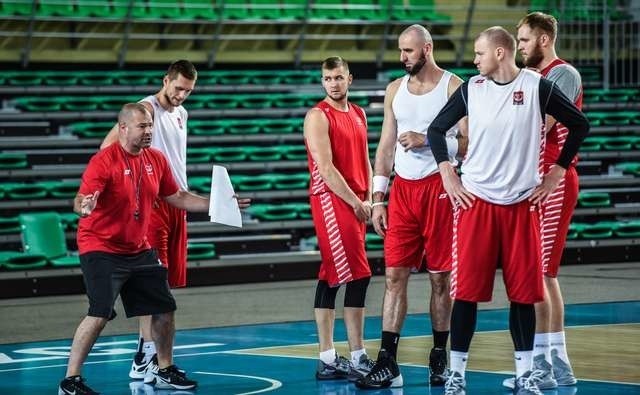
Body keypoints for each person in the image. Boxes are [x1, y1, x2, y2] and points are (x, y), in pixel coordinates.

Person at [426, 27, 589, 395]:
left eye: (479, 52)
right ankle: (457, 376)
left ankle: (526, 375)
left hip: (521, 205)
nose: (475, 59)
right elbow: (436, 131)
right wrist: (448, 173)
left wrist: (557, 172)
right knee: (465, 293)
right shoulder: (472, 89)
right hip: (476, 204)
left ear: (500, 53)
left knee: (523, 295)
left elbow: (580, 124)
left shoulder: (538, 86)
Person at [59, 103, 211, 394]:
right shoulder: (104, 161)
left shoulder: (156, 159)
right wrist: (84, 206)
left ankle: (164, 369)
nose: (149, 131)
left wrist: (215, 204)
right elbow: (82, 199)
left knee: (164, 309)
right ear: (124, 128)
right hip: (101, 247)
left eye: (151, 126)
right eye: (142, 126)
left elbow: (177, 196)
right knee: (99, 313)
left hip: (139, 249)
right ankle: (70, 380)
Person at [355, 24, 467, 389]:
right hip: (403, 192)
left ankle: (438, 354)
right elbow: (385, 147)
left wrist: (430, 141)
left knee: (440, 279)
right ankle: (388, 361)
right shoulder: (394, 90)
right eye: (400, 51)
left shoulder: (454, 87)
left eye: (409, 51)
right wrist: (377, 198)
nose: (402, 58)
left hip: (440, 188)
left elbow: (470, 143)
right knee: (392, 277)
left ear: (428, 49)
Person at [500, 12, 583, 390]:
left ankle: (545, 367)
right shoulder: (535, 77)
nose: (519, 47)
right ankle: (556, 364)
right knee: (544, 274)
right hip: (540, 180)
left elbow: (538, 124)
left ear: (544, 39)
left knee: (539, 274)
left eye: (524, 40)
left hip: (553, 180)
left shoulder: (560, 75)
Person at [101, 60, 197, 380]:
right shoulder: (147, 109)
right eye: (178, 87)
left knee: (163, 283)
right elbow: (108, 148)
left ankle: (146, 355)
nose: (182, 94)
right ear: (165, 80)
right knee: (153, 284)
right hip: (152, 204)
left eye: (188, 90)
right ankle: (148, 357)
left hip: (176, 201)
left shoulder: (181, 114)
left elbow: (175, 162)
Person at [303, 56, 375, 382]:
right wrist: (356, 203)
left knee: (331, 275)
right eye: (327, 78)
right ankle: (358, 355)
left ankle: (327, 358)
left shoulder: (359, 114)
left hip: (357, 201)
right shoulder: (318, 116)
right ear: (322, 82)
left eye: (338, 77)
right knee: (358, 275)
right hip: (333, 201)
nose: (333, 83)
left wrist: (370, 199)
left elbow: (366, 160)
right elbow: (326, 169)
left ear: (350, 78)